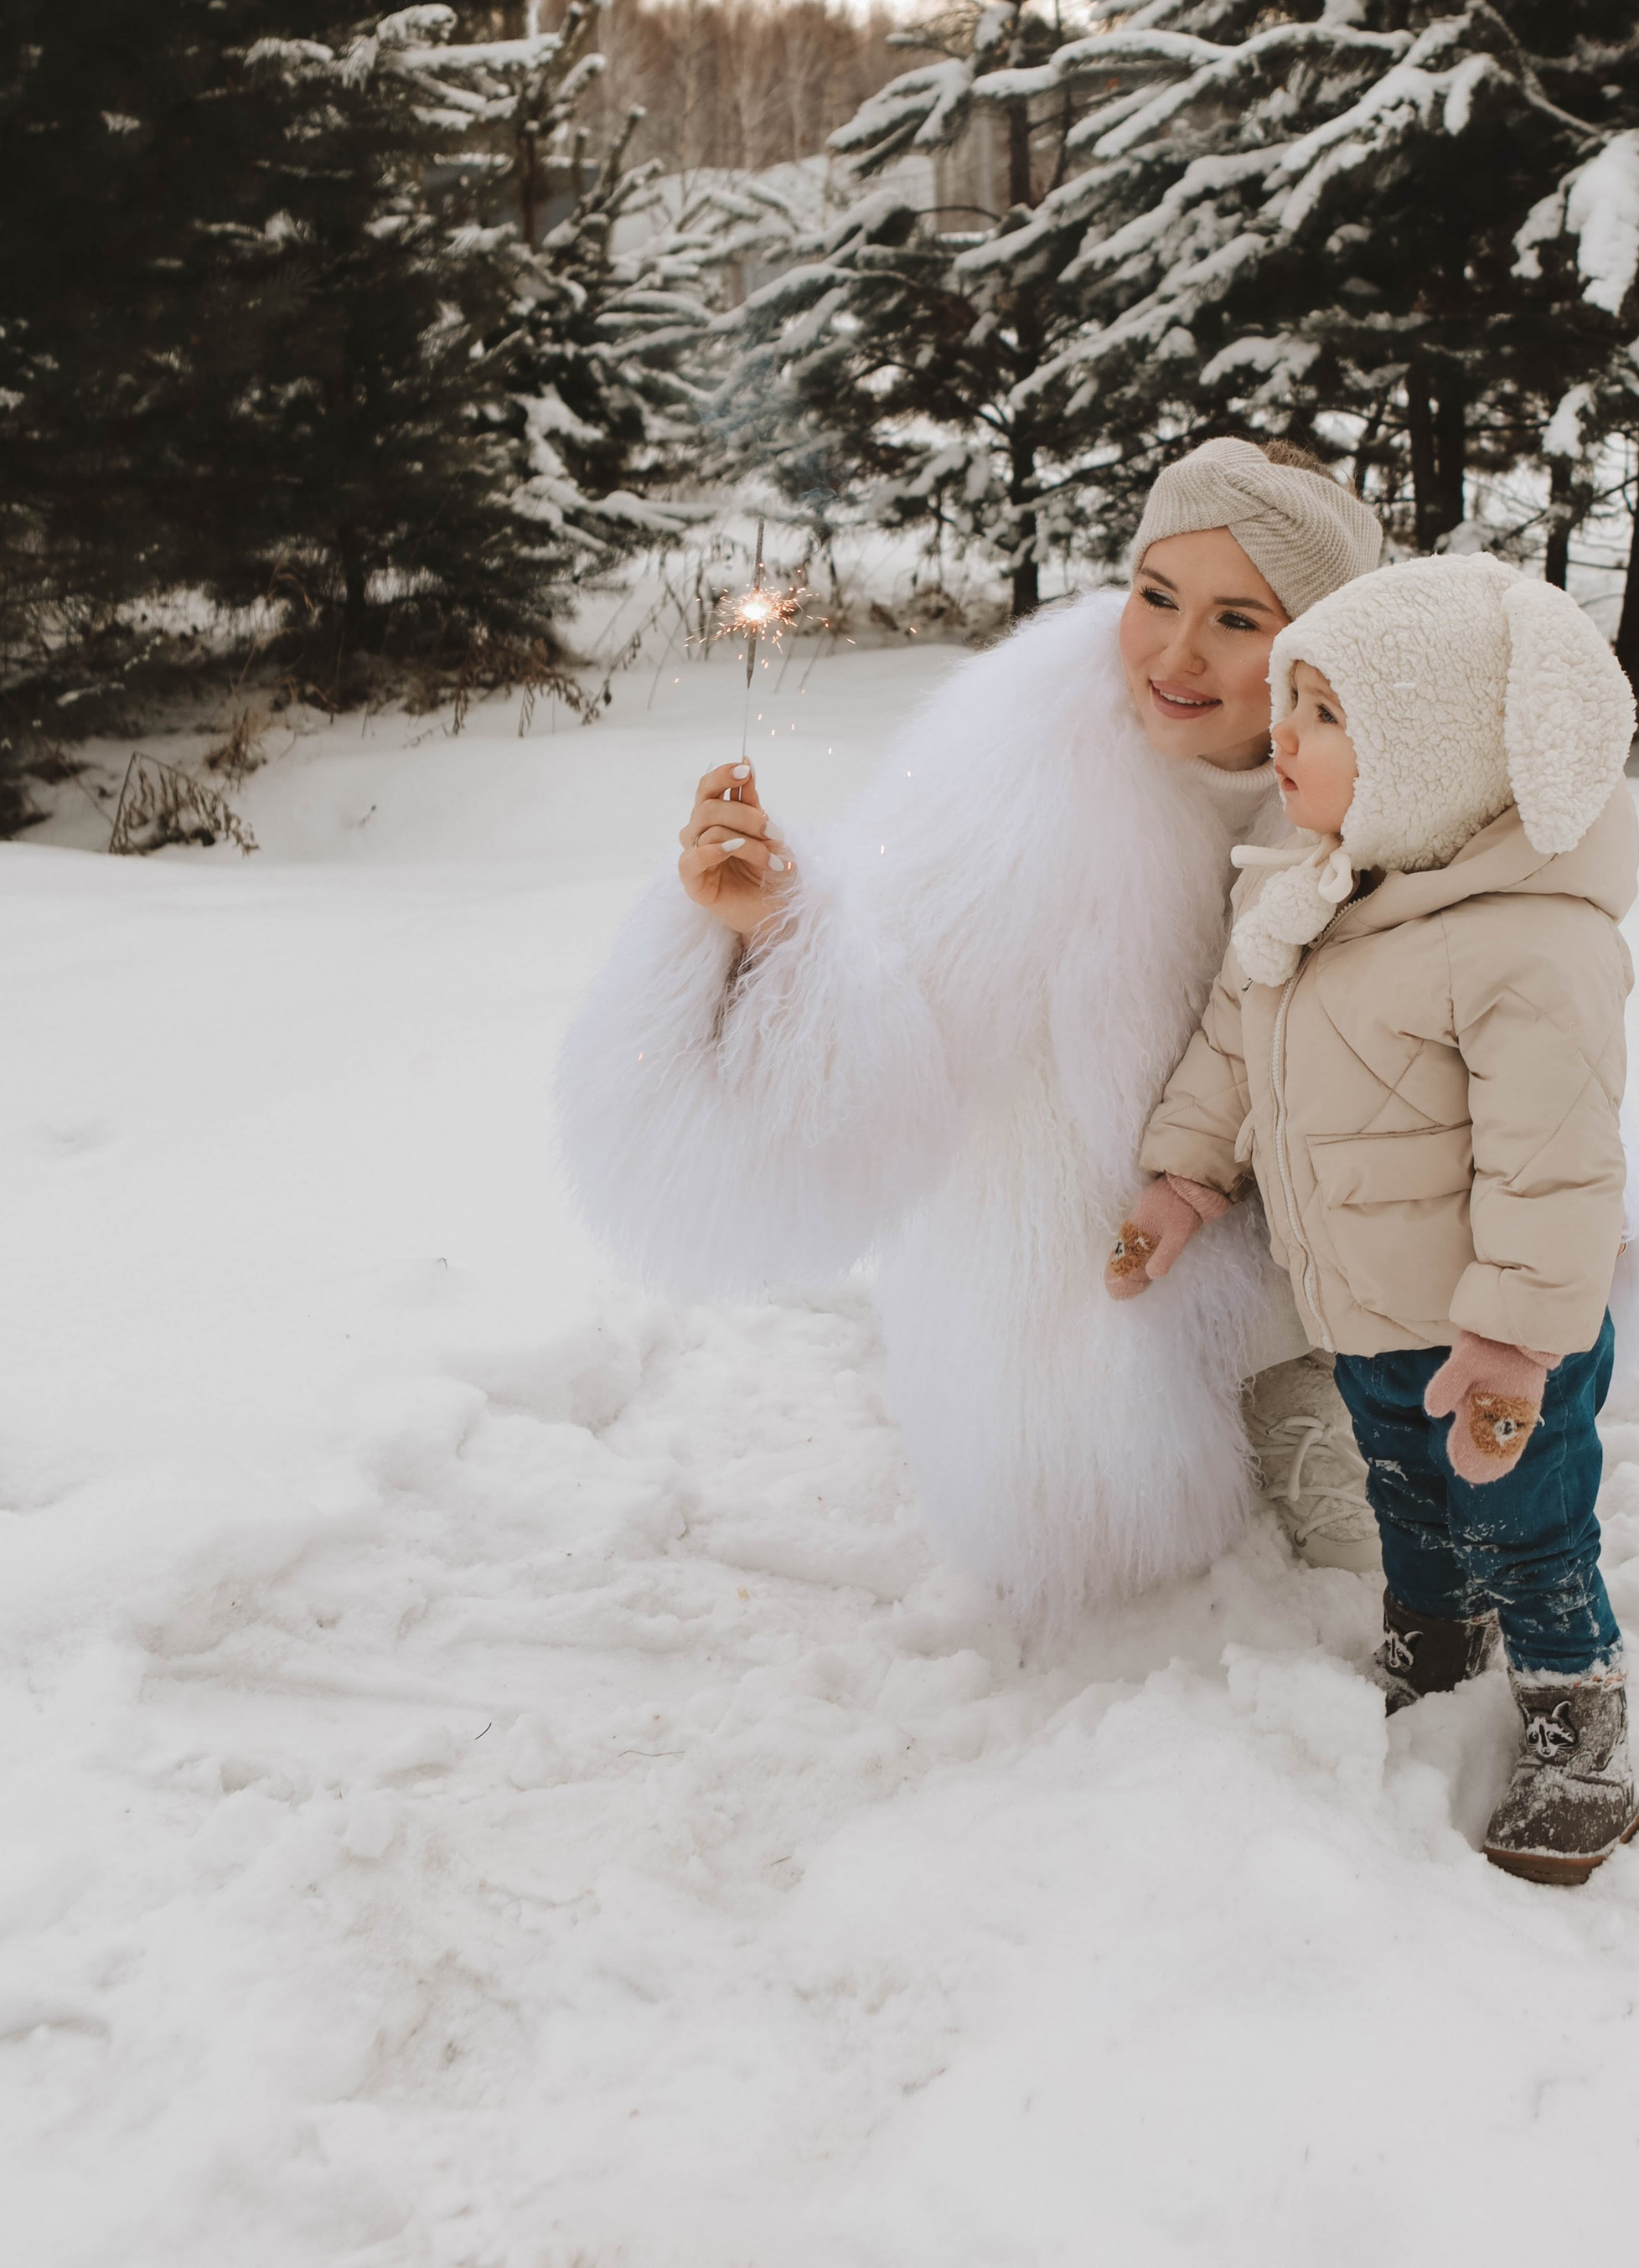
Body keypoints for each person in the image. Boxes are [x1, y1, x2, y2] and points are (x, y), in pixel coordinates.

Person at [556, 439, 1384, 1626]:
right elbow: (902, 1013)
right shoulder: (1030, 753)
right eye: (1155, 597)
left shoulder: (1387, 773)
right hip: (1116, 1239)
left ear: (1315, 642)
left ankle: (1331, 1370)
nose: (1175, 654)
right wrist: (779, 930)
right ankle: (1206, 1395)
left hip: (1320, 1196)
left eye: (1236, 620)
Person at [1132, 554, 1639, 1882]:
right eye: (1288, 706)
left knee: (1535, 1527)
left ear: (1436, 751)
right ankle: (1432, 1638)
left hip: (1497, 1339)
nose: (1281, 741)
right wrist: (1188, 1177)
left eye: (1323, 715)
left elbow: (1559, 1167)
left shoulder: (1529, 943)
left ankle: (1578, 1731)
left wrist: (1520, 1341)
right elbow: (1231, 1047)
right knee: (1407, 1493)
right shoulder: (1305, 889)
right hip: (1361, 1308)